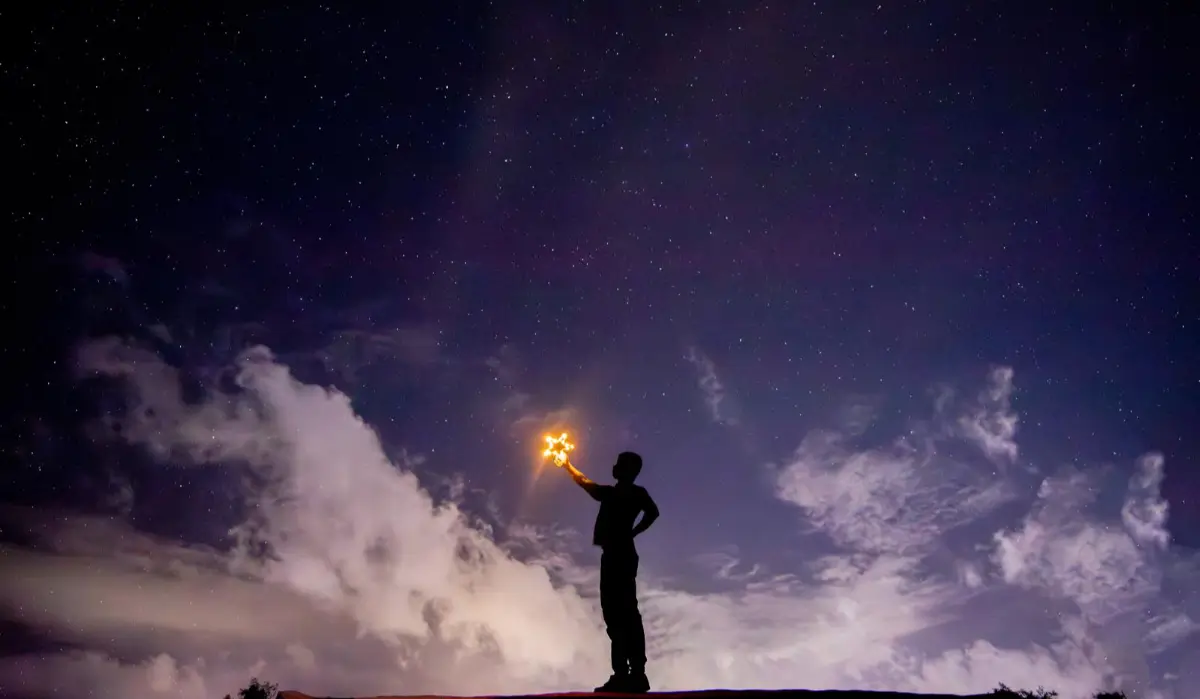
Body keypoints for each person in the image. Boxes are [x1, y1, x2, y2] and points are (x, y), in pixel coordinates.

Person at [558, 451, 660, 693]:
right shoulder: (629, 493)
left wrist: (568, 466)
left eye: (618, 464)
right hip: (618, 553)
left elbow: (586, 484)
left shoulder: (621, 493)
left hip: (618, 555)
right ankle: (628, 674)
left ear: (625, 469)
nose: (613, 467)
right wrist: (634, 532)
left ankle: (631, 674)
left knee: (620, 613)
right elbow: (652, 513)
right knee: (620, 613)